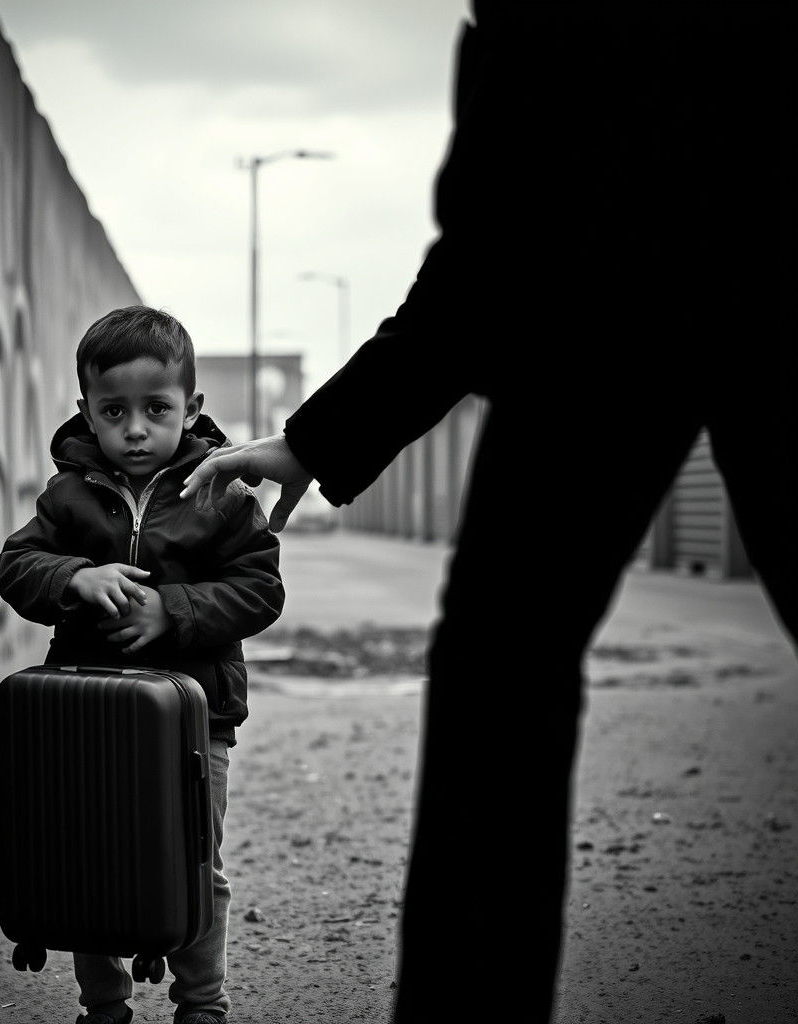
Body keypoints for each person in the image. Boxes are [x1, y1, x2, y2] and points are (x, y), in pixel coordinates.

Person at [180, 3, 798, 1020]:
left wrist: (320, 437)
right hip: (632, 273)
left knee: (503, 669)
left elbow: (502, 229)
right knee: (504, 664)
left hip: (611, 293)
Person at [0, 305, 285, 1024]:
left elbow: (260, 588)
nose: (134, 428)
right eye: (113, 410)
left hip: (196, 718)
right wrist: (73, 579)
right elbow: (15, 564)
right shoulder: (69, 495)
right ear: (87, 412)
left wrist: (172, 611)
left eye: (157, 409)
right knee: (88, 854)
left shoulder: (220, 495)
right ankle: (104, 1004)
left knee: (191, 859)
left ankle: (201, 1001)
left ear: (192, 409)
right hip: (87, 716)